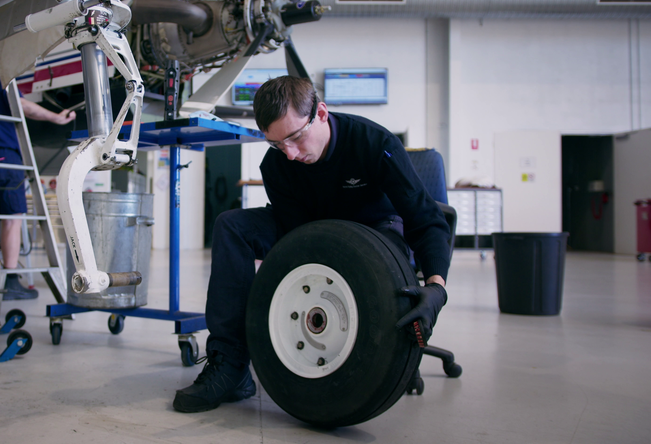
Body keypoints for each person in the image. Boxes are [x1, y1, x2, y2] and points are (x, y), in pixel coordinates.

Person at [172, 76, 451, 413]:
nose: (289, 153)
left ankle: (391, 355)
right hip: (309, 228)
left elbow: (426, 218)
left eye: (296, 137)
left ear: (320, 113)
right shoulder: (277, 165)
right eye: (277, 144)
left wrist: (436, 286)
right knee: (232, 226)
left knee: (383, 262)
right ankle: (230, 365)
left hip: (375, 230)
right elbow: (296, 242)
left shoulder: (374, 143)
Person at [0, 76, 75, 300]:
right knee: (13, 217)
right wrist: (56, 118)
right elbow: (20, 105)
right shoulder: (2, 79)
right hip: (5, 155)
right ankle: (11, 281)